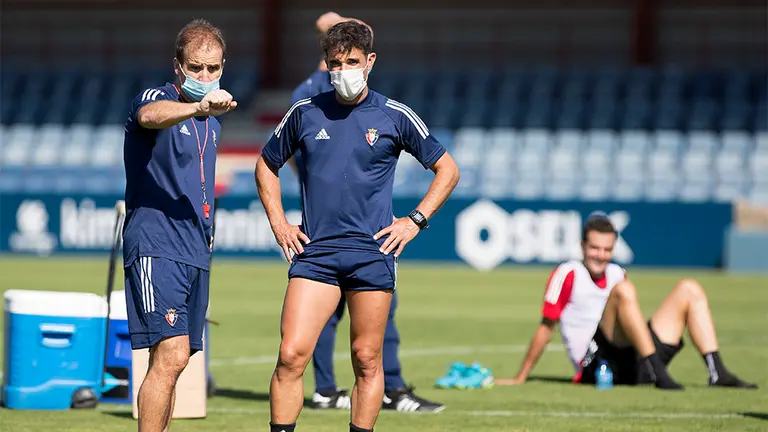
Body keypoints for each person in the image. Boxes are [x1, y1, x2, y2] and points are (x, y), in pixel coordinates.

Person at [255, 20, 460, 432]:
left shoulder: (394, 114)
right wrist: (279, 223)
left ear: (370, 61)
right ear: (326, 66)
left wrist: (415, 221)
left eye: (352, 61)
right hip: (315, 256)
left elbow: (447, 169)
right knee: (292, 355)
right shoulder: (305, 113)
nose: (343, 70)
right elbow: (266, 164)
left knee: (367, 359)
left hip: (372, 255)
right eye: (335, 63)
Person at [122, 18, 237, 432]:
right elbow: (150, 116)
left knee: (177, 360)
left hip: (195, 248)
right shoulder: (159, 97)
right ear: (177, 65)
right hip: (156, 240)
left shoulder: (215, 122)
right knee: (169, 356)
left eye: (213, 69)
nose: (205, 77)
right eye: (195, 68)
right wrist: (196, 105)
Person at [496, 213, 757, 391]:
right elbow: (545, 328)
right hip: (597, 362)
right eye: (595, 248)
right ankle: (658, 372)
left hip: (633, 356)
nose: (601, 255)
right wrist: (521, 376)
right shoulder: (568, 273)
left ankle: (716, 372)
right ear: (582, 247)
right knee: (623, 291)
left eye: (607, 250)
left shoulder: (617, 272)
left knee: (689, 288)